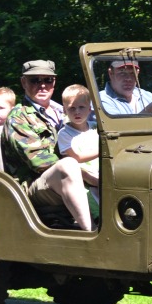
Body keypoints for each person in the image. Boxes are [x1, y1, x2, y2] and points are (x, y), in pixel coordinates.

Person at [1, 60, 93, 231]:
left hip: (72, 174)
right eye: (35, 80)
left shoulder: (66, 110)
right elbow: (40, 162)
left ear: (54, 83)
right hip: (31, 185)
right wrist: (89, 177)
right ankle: (92, 233)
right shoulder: (18, 116)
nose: (42, 85)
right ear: (24, 83)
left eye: (48, 80)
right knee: (68, 165)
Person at [58, 84, 100, 213]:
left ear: (89, 109)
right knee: (96, 210)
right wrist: (103, 152)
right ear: (65, 110)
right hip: (84, 182)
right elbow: (76, 158)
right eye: (72, 108)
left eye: (81, 107)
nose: (77, 112)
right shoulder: (64, 133)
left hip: (103, 175)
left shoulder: (96, 128)